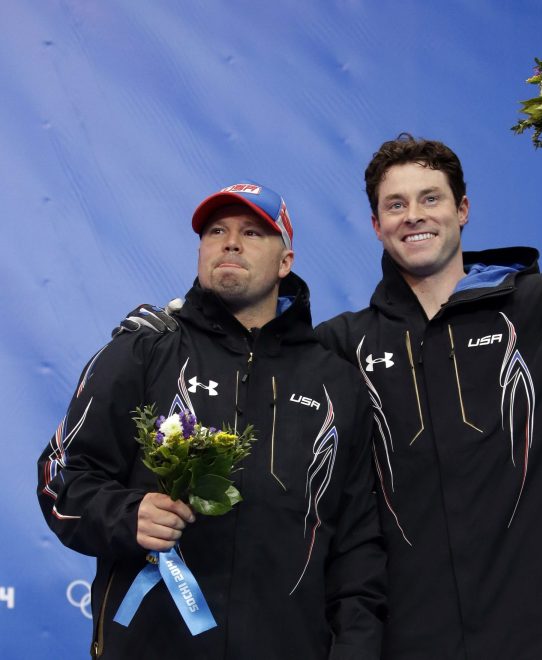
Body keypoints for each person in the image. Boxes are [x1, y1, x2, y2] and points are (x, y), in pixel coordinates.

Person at [117, 95, 542, 658]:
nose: (414, 217)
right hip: (417, 642)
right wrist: (176, 327)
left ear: (462, 210)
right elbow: (251, 360)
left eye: (430, 199)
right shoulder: (342, 348)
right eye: (395, 205)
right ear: (375, 225)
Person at [37, 183, 387, 659]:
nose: (230, 242)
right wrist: (127, 514)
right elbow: (61, 477)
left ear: (286, 262)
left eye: (253, 232)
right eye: (215, 230)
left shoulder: (336, 384)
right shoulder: (145, 349)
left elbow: (358, 548)